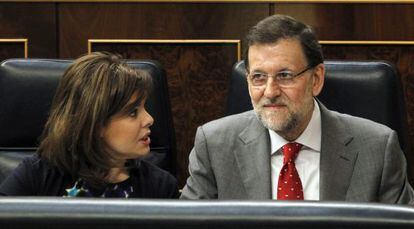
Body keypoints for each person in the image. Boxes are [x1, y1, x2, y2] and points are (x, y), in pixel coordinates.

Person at [180, 14, 414, 203]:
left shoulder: (377, 149)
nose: (270, 91)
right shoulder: (214, 146)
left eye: (285, 75)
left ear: (316, 79)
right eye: (259, 77)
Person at [0, 52, 179, 198]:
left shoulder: (160, 187)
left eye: (144, 107)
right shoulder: (36, 175)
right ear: (95, 122)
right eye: (133, 112)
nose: (149, 119)